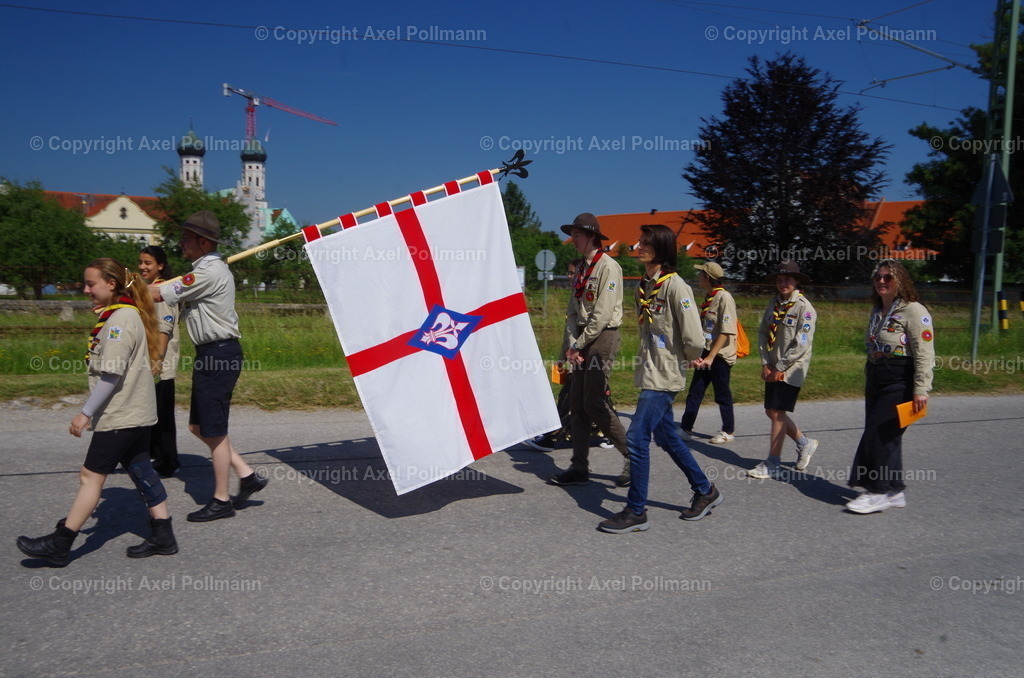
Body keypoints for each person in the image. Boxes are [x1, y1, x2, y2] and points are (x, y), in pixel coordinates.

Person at [17, 259, 178, 565]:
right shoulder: (123, 315)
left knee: (90, 477)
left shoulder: (119, 321)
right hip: (137, 411)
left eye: (91, 284)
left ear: (112, 284)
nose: (86, 289)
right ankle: (163, 534)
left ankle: (61, 543)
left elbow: (111, 375)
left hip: (121, 413)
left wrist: (85, 412)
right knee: (141, 468)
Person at [599, 224, 722, 533]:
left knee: (637, 439)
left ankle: (636, 510)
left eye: (644, 243)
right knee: (666, 437)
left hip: (664, 373)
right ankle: (706, 490)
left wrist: (691, 354)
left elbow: (693, 332)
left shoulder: (675, 286)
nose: (638, 246)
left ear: (660, 249)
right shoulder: (646, 283)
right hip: (650, 368)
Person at [149, 211, 266, 522]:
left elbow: (159, 293)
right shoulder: (204, 271)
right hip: (211, 353)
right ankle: (246, 475)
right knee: (199, 427)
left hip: (219, 354)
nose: (181, 243)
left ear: (203, 242)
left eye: (187, 238)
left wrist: (120, 286)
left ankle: (221, 499)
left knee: (212, 428)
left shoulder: (208, 273)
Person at [548, 213, 630, 487]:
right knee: (577, 405)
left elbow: (604, 313)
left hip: (602, 338)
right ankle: (579, 467)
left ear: (592, 236)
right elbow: (572, 312)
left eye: (578, 235)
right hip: (581, 340)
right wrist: (570, 347)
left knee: (594, 402)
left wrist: (579, 345)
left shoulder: (609, 267)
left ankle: (633, 457)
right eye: (572, 235)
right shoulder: (581, 269)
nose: (573, 240)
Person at [846, 259, 934, 514]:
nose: (882, 281)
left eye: (888, 277)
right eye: (878, 277)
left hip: (900, 378)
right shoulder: (877, 311)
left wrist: (921, 389)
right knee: (889, 436)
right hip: (876, 375)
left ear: (900, 281)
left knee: (879, 434)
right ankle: (895, 491)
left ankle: (876, 492)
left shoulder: (914, 311)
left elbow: (924, 353)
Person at [749, 260, 819, 478]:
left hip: (792, 368)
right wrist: (765, 362)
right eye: (779, 280)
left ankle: (773, 463)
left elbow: (802, 343)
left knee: (777, 413)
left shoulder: (804, 309)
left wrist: (779, 367)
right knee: (771, 411)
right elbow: (762, 333)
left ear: (796, 281)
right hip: (773, 365)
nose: (783, 283)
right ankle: (804, 442)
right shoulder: (774, 304)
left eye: (787, 279)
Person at [679, 261, 737, 444]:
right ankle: (685, 428)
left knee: (722, 394)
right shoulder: (709, 297)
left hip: (719, 355)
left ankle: (728, 430)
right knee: (695, 391)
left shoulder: (724, 298)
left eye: (700, 274)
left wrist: (711, 357)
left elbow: (727, 331)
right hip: (706, 352)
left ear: (708, 277)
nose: (698, 277)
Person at [138, 245, 180, 477]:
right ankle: (157, 454)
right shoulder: (150, 289)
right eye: (141, 262)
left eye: (148, 263)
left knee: (163, 414)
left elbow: (164, 327)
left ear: (160, 266)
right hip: (150, 361)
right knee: (153, 412)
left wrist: (157, 360)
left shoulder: (164, 292)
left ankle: (168, 460)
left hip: (161, 364)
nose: (142, 267)